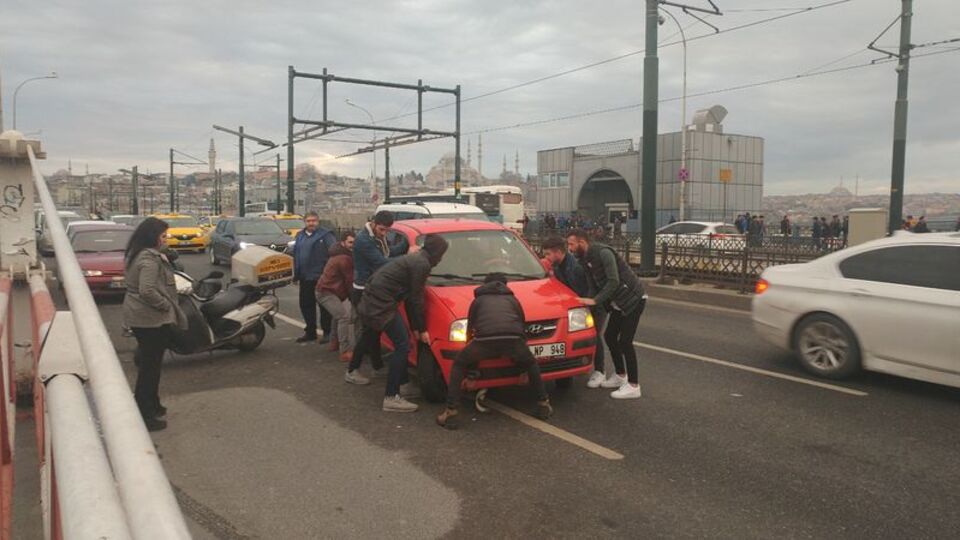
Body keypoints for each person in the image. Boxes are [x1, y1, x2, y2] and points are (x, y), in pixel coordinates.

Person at [346, 234, 449, 413]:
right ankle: (392, 396)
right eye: (441, 254)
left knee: (370, 333)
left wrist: (416, 326)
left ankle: (353, 371)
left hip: (372, 298)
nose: (441, 259)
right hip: (381, 304)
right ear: (436, 252)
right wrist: (422, 329)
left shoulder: (416, 259)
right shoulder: (421, 264)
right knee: (403, 345)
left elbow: (409, 297)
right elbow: (416, 299)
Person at [436, 273, 552, 429]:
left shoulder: (478, 301)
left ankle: (451, 412)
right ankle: (543, 404)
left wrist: (471, 373)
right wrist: (524, 367)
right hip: (513, 340)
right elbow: (521, 328)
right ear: (505, 285)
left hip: (485, 341)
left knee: (459, 363)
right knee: (532, 363)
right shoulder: (513, 300)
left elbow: (470, 333)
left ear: (485, 284)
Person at [122, 217, 187, 432]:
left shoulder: (139, 254)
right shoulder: (149, 259)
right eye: (163, 236)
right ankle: (145, 413)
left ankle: (153, 404)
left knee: (152, 364)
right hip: (150, 319)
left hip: (141, 316)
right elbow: (147, 290)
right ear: (153, 237)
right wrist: (164, 307)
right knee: (150, 368)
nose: (165, 240)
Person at [566, 229, 647, 399]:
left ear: (582, 242)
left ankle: (633, 385)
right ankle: (620, 375)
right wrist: (586, 301)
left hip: (633, 298)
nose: (570, 248)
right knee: (610, 336)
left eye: (571, 244)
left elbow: (613, 281)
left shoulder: (603, 253)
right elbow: (592, 285)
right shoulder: (584, 258)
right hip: (618, 302)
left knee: (625, 341)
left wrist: (596, 301)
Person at [541, 236, 608, 388]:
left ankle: (600, 371)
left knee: (595, 335)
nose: (546, 258)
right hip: (579, 306)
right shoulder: (559, 266)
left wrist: (588, 305)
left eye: (547, 254)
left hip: (593, 305)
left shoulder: (576, 266)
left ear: (558, 252)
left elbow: (590, 287)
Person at [351, 211, 411, 370]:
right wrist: (408, 258)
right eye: (382, 229)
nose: (384, 233)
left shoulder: (376, 237)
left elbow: (388, 252)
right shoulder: (364, 240)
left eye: (387, 231)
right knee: (369, 333)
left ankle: (376, 365)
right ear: (374, 223)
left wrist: (406, 244)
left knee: (373, 332)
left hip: (373, 289)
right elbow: (382, 262)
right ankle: (354, 369)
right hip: (365, 290)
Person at [292, 211, 336, 344]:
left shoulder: (326, 235)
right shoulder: (300, 236)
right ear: (305, 222)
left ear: (318, 221)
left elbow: (334, 253)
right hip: (305, 277)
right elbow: (296, 255)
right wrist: (296, 274)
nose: (311, 223)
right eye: (309, 221)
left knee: (324, 306)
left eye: (314, 221)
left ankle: (327, 332)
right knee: (306, 305)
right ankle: (310, 332)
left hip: (321, 277)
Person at [316, 232, 356, 362]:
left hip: (330, 290)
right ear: (343, 242)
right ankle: (345, 351)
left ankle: (334, 342)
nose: (352, 245)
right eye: (350, 242)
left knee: (337, 315)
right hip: (327, 291)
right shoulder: (344, 259)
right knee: (344, 317)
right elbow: (349, 281)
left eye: (354, 243)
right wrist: (354, 298)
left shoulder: (338, 252)